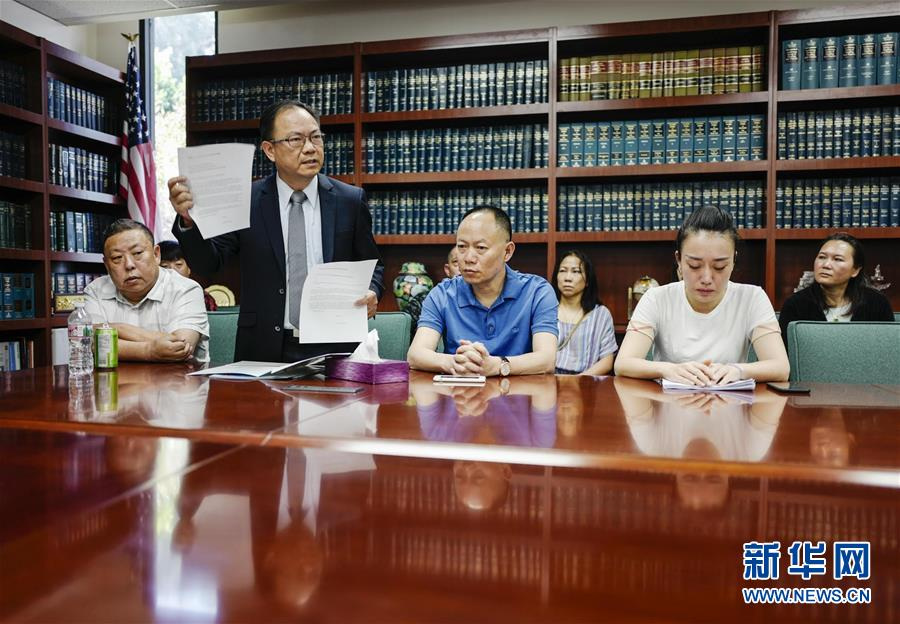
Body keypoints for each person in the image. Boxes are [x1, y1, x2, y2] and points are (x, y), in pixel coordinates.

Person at [168, 99, 384, 363]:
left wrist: (372, 290)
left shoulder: (349, 200)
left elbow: (373, 264)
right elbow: (208, 263)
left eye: (316, 137)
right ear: (270, 150)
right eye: (296, 140)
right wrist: (189, 223)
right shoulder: (246, 200)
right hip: (264, 346)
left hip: (335, 344)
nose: (310, 148)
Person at [614, 205, 789, 385]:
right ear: (679, 260)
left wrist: (738, 370)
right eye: (694, 266)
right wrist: (668, 369)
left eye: (719, 267)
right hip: (669, 400)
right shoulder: (656, 298)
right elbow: (623, 363)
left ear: (733, 261)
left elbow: (781, 368)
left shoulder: (752, 298)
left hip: (729, 400)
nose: (706, 278)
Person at [407, 205, 558, 376]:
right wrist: (454, 362)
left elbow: (547, 359)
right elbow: (415, 355)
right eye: (462, 246)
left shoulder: (537, 292)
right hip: (460, 390)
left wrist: (497, 366)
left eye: (480, 248)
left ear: (507, 252)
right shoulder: (442, 294)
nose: (468, 258)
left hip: (519, 390)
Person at [84, 219, 210, 363]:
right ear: (107, 265)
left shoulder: (186, 289)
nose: (129, 265)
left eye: (137, 253)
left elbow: (180, 346)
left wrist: (115, 329)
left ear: (156, 255)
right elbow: (89, 344)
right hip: (114, 377)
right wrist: (149, 350)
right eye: (117, 258)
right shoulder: (95, 291)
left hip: (178, 376)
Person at [779, 233, 893, 343]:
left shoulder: (877, 304)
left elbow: (888, 349)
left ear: (855, 270)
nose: (826, 265)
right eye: (822, 257)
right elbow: (787, 351)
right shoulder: (796, 305)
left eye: (837, 259)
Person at [553, 249, 617, 375]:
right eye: (563, 271)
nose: (567, 278)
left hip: (586, 381)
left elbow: (607, 361)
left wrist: (579, 380)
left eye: (576, 271)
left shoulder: (600, 315)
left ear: (587, 280)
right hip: (548, 381)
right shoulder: (545, 311)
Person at [158, 240, 218, 311]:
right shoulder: (150, 298)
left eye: (178, 264)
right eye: (164, 266)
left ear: (189, 268)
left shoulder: (203, 298)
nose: (172, 271)